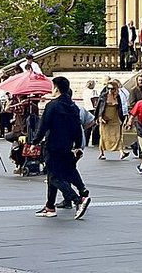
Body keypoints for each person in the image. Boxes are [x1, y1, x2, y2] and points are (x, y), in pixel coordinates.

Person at [37, 75, 91, 220]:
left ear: (56, 88)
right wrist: (78, 145)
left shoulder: (53, 105)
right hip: (68, 146)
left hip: (53, 144)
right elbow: (77, 127)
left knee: (54, 176)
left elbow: (44, 125)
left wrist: (35, 140)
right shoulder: (73, 106)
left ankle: (77, 200)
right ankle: (50, 206)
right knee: (60, 173)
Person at [97, 79, 126, 159]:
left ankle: (121, 152)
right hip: (105, 118)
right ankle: (102, 153)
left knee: (117, 135)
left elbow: (120, 108)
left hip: (115, 117)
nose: (110, 90)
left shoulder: (118, 96)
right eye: (108, 88)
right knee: (104, 136)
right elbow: (99, 107)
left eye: (112, 88)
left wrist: (123, 118)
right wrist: (100, 117)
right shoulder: (104, 96)